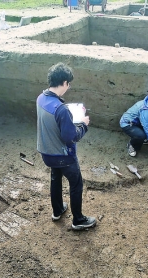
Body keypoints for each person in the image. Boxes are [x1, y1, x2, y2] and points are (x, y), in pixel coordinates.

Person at [36, 62, 96, 231]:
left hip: (47, 153)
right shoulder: (61, 110)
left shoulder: (41, 98)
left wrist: (69, 115)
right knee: (76, 184)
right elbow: (70, 137)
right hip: (64, 156)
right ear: (64, 83)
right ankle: (78, 220)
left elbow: (54, 116)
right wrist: (83, 124)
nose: (68, 87)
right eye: (68, 84)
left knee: (55, 178)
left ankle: (57, 210)